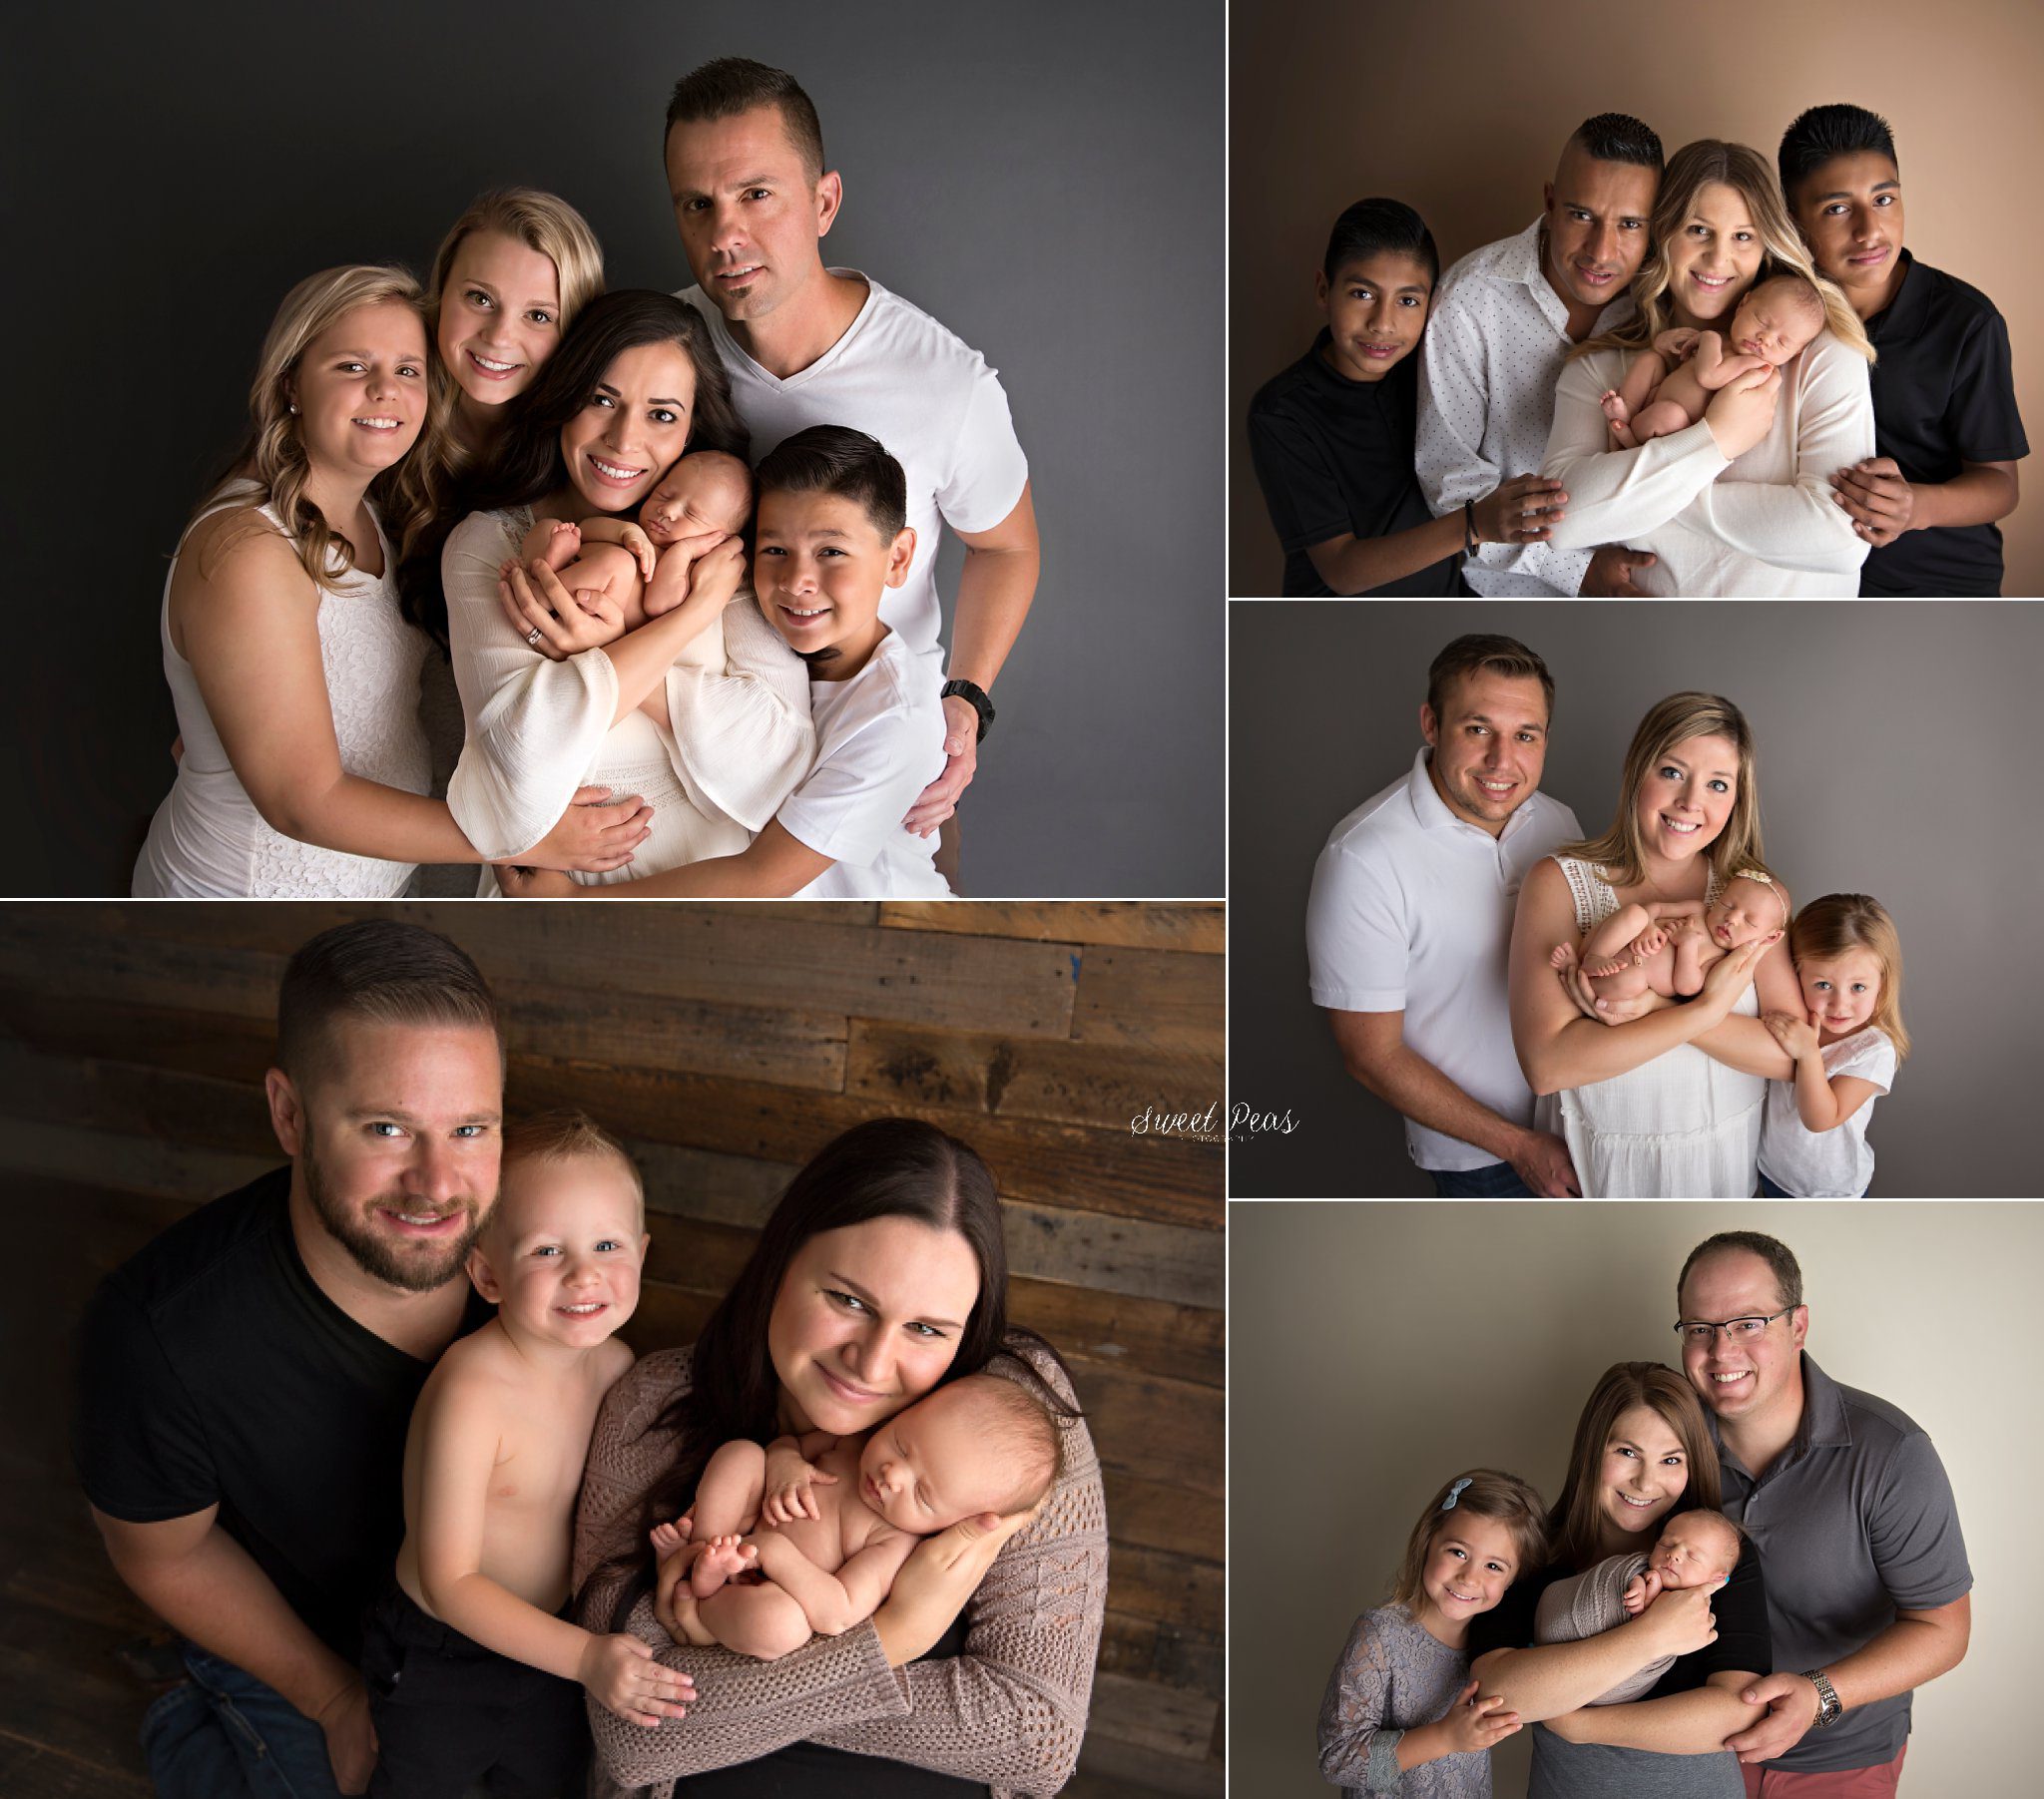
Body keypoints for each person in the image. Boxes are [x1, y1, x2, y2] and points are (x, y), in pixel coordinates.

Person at [71, 922, 647, 1799]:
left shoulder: (544, 1251)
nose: (438, 1183)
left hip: (497, 1652)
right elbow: (163, 1553)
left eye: (468, 1127)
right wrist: (333, 1697)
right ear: (289, 1114)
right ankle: (187, 1704)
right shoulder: (158, 1332)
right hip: (307, 1646)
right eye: (387, 1128)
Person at [569, 1118, 1107, 1796]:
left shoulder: (1015, 1423)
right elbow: (630, 1736)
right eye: (849, 1299)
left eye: (925, 1328)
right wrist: (893, 1636)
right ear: (781, 1263)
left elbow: (1036, 1739)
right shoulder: (652, 1404)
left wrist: (878, 1642)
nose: (873, 1363)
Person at [133, 266, 649, 897]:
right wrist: (523, 835)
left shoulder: (377, 514)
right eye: (353, 367)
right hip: (235, 900)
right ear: (291, 380)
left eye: (407, 370)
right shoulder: (247, 549)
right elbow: (303, 802)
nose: (386, 391)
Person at [662, 56, 1039, 880]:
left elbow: (1008, 546)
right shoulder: (660, 357)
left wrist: (967, 701)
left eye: (757, 194)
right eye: (699, 205)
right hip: (700, 761)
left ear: (824, 201)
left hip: (878, 779)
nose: (725, 234)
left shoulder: (945, 381)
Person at [442, 290, 814, 892]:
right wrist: (686, 619)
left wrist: (608, 646)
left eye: (662, 414)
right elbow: (522, 752)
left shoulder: (721, 549)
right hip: (551, 886)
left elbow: (781, 763)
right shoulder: (491, 542)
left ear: (694, 428)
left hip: (709, 883)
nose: (623, 439)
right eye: (601, 400)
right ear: (565, 397)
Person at [363, 1112, 687, 1797]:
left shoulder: (618, 1367)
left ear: (643, 1251)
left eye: (607, 1244)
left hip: (556, 1640)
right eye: (546, 1251)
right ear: (487, 1274)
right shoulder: (472, 1389)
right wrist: (588, 1657)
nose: (584, 1274)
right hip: (442, 1650)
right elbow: (449, 1580)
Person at [504, 428, 951, 900]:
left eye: (832, 552)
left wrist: (572, 899)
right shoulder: (764, 637)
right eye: (775, 550)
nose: (796, 581)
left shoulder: (895, 718)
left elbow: (762, 878)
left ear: (898, 558)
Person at [1674, 1232, 1970, 1794]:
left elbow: (1943, 1629)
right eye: (1700, 1329)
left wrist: (1820, 1694)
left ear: (1799, 1325)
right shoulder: (1664, 1445)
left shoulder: (1891, 1453)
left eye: (1749, 1323)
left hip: (1839, 1759)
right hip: (1687, 1748)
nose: (1721, 1351)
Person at [1306, 635, 1583, 1197]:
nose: (1502, 762)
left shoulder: (1560, 823)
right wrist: (1518, 1146)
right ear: (1431, 725)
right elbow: (1370, 1054)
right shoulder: (1362, 857)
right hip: (1484, 1157)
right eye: (1477, 729)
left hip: (1583, 1127)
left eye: (1524, 735)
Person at [1539, 141, 1876, 598]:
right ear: (1664, 234)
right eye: (1698, 230)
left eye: (1743, 236)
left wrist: (1640, 493)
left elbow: (1839, 541)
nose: (1719, 260)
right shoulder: (1597, 370)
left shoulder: (1823, 356)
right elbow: (1562, 522)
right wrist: (1714, 442)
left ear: (1766, 245)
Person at [397, 189, 610, 895]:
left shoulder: (592, 465)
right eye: (479, 298)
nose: (498, 336)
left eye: (539, 315)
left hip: (514, 793)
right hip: (386, 784)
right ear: (440, 295)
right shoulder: (384, 422)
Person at [1508, 691, 1802, 1197]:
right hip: (1603, 1167)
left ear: (1737, 799)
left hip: (1719, 1164)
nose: (1691, 802)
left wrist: (1655, 1004)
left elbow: (1791, 1056)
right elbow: (1549, 1065)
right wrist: (1702, 1011)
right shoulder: (1559, 881)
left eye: (1717, 784)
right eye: (1671, 772)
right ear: (1636, 771)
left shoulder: (1750, 899)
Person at [1465, 1363, 1770, 1799]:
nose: (1646, 1482)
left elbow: (1739, 1712)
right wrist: (1651, 1636)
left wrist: (1580, 1724)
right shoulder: (1532, 1552)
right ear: (1592, 1451)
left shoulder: (1718, 1555)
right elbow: (1496, 1692)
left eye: (1671, 1460)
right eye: (1627, 1452)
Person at [1248, 198, 1568, 595]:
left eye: (1408, 301)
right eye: (1362, 294)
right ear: (1323, 290)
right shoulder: (1282, 412)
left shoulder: (1435, 366)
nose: (1383, 324)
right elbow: (1341, 570)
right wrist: (1475, 524)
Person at [1779, 105, 2027, 596]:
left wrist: (1917, 506)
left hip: (1938, 584)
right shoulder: (1774, 311)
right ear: (1794, 221)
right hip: (1809, 581)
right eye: (1837, 208)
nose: (1870, 230)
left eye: (1885, 198)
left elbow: (2001, 484)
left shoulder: (1967, 322)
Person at [1417, 113, 1665, 598]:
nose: (1601, 251)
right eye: (1581, 215)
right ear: (1550, 202)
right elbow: (1450, 484)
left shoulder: (1668, 303)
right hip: (1507, 593)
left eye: (1630, 224)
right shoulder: (1470, 298)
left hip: (1649, 584)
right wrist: (1576, 572)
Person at [649, 1370, 1061, 1660]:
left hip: (773, 1591)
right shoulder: (853, 1444)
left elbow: (837, 1612)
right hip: (737, 1534)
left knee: (781, 1627)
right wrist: (785, 1465)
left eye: (922, 1494)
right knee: (742, 1454)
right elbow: (785, 1445)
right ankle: (701, 1550)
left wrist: (773, 1551)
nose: (892, 1475)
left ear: (953, 1524)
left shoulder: (893, 1545)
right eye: (902, 1444)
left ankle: (706, 1601)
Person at [1316, 1469, 1547, 1796]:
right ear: (1428, 1541)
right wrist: (1445, 1737)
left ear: (1514, 1579)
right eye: (1458, 1552)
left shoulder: (1496, 1649)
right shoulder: (1379, 1635)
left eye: (1493, 1566)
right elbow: (1338, 1759)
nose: (1469, 1577)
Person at [1758, 894, 1906, 1197]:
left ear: (1883, 984)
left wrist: (1809, 1053)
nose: (1840, 1005)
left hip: (1827, 1190)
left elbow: (1821, 1119)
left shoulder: (1873, 1050)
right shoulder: (1794, 1018)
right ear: (1796, 975)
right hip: (1772, 1170)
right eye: (1823, 985)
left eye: (1858, 987)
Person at [515, 449, 755, 637]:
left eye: (691, 514)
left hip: (588, 608)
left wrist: (683, 551)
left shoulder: (689, 569)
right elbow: (585, 529)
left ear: (717, 540)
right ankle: (545, 567)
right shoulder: (636, 524)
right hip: (572, 567)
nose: (668, 509)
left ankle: (542, 595)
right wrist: (625, 531)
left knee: (620, 562)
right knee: (548, 526)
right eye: (664, 494)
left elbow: (657, 605)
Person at [1534, 1509, 1746, 1704]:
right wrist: (1639, 1588)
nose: (1674, 1554)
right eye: (1666, 1544)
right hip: (1564, 1643)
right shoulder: (1645, 1571)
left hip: (1608, 1687)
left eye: (1692, 1556)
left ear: (1717, 1577)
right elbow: (1635, 1576)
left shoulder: (1700, 1608)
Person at [1597, 276, 1826, 448]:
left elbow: (1708, 376)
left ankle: (1628, 441)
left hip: (1676, 424)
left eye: (1782, 342)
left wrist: (1708, 337)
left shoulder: (1754, 366)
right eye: (1761, 321)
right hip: (1656, 397)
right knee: (1649, 359)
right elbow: (1678, 365)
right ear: (1743, 305)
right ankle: (1628, 408)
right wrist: (1663, 345)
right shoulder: (1725, 339)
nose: (1764, 338)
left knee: (1669, 414)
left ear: (1795, 354)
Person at [1551, 869, 1788, 1020]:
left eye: (1749, 921)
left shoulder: (1720, 959)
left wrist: (1687, 945)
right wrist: (1648, 926)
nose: (1732, 918)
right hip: (1616, 947)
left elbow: (1687, 987)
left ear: (1768, 937)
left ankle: (1577, 974)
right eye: (1727, 905)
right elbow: (1657, 908)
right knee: (1635, 914)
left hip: (1635, 976)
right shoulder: (1698, 910)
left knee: (1628, 986)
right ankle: (1591, 956)